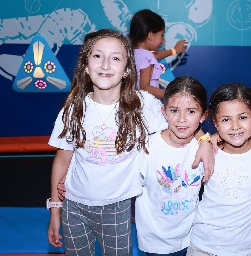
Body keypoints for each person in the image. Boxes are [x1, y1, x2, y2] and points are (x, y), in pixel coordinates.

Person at [46, 29, 212, 256]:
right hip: (74, 206)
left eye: (115, 58)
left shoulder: (143, 105)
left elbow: (180, 120)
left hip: (117, 207)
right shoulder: (74, 108)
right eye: (97, 56)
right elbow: (62, 159)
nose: (105, 64)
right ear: (86, 65)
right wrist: (55, 211)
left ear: (126, 70)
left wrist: (204, 139)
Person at [188, 83, 251, 256]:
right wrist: (204, 139)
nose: (235, 126)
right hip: (202, 246)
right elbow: (180, 127)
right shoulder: (208, 151)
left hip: (243, 250)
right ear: (215, 123)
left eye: (242, 117)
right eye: (226, 119)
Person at [135, 76, 208, 256]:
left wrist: (207, 140)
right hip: (155, 242)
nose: (181, 119)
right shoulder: (147, 147)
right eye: (174, 110)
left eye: (191, 111)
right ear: (164, 112)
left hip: (191, 238)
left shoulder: (204, 149)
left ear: (204, 115)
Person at [129, 9, 188, 99]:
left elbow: (155, 56)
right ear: (151, 35)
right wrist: (172, 96)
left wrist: (174, 51)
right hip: (147, 104)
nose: (163, 40)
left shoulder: (135, 52)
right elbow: (144, 87)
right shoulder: (146, 56)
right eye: (162, 35)